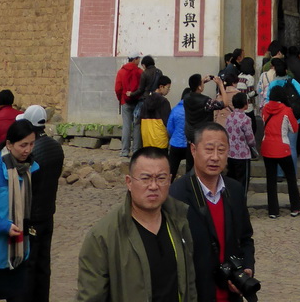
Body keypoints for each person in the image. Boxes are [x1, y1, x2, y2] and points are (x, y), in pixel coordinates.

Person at [77, 146, 197, 302]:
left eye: (161, 178)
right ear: (129, 182)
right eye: (145, 178)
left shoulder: (179, 221)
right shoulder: (103, 236)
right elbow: (90, 297)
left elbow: (189, 283)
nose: (153, 186)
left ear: (170, 180)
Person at [169, 123, 254, 302]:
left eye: (221, 150)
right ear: (193, 149)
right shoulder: (177, 194)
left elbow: (246, 238)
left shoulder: (235, 190)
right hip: (196, 293)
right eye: (208, 149)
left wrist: (246, 267)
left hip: (230, 294)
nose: (215, 157)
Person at [0, 118, 38, 302]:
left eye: (31, 144)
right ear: (9, 145)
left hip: (19, 254)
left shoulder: (30, 170)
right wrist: (2, 226)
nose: (27, 150)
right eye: (23, 145)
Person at [19, 105, 63, 302]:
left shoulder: (31, 151)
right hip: (48, 213)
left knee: (30, 264)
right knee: (44, 264)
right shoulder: (56, 147)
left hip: (32, 216)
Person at [260, 86, 300, 219]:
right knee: (290, 178)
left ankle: (273, 210)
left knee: (270, 180)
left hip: (267, 146)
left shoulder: (265, 109)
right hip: (282, 147)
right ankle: (295, 207)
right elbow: (294, 128)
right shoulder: (286, 110)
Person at [263, 58, 300, 171]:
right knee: (292, 147)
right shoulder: (292, 81)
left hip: (278, 119)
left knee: (279, 146)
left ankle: (280, 173)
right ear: (286, 71)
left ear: (275, 71)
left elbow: (267, 99)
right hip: (294, 117)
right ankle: (292, 173)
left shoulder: (272, 84)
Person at [224, 94, 256, 196]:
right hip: (242, 155)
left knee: (231, 181)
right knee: (242, 183)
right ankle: (241, 206)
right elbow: (250, 140)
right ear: (245, 104)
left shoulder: (229, 117)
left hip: (230, 154)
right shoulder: (246, 119)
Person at [129, 56, 163, 153]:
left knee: (139, 123)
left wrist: (131, 94)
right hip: (157, 99)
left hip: (145, 101)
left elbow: (140, 90)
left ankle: (138, 148)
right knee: (154, 124)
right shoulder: (159, 72)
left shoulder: (144, 73)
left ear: (144, 65)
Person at [183, 75, 225, 152]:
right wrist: (220, 85)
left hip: (190, 134)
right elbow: (225, 103)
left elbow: (193, 89)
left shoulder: (186, 97)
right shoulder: (206, 101)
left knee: (191, 158)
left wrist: (201, 82)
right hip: (203, 134)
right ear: (199, 87)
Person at [113, 51, 142, 158]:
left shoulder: (121, 72)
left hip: (125, 101)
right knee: (137, 126)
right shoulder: (140, 72)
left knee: (126, 126)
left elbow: (118, 88)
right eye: (138, 58)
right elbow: (142, 88)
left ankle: (125, 151)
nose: (139, 61)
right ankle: (136, 151)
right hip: (137, 102)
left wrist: (120, 99)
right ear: (135, 59)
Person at [141, 77, 173, 148]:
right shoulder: (164, 102)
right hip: (160, 140)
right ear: (161, 86)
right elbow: (168, 122)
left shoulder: (145, 100)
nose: (168, 91)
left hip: (147, 139)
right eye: (168, 88)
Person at [166, 93, 189, 181]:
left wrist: (174, 136)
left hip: (175, 144)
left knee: (171, 171)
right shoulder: (192, 110)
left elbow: (169, 128)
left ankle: (168, 188)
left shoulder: (175, 110)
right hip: (188, 145)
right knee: (190, 170)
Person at [235, 59, 257, 132]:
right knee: (252, 128)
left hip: (239, 106)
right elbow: (250, 93)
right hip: (248, 106)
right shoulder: (250, 78)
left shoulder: (239, 76)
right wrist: (256, 92)